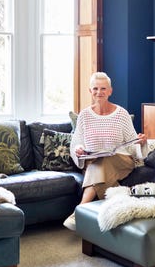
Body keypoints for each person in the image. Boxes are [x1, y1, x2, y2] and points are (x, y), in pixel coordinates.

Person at [63, 72, 148, 231]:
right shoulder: (85, 115)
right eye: (95, 88)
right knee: (98, 164)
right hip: (94, 161)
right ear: (90, 91)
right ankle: (118, 211)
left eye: (103, 88)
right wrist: (78, 149)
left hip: (121, 160)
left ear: (110, 91)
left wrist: (141, 142)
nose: (99, 92)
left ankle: (80, 209)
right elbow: (76, 142)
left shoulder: (121, 114)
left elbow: (131, 144)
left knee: (100, 163)